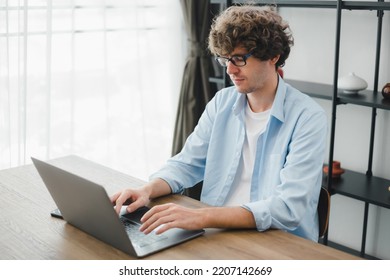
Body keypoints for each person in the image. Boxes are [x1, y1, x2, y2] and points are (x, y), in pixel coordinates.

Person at [110, 5, 327, 242]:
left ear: (273, 56)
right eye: (225, 60)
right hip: (216, 232)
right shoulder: (222, 103)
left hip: (276, 241)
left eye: (240, 59)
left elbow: (288, 208)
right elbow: (186, 164)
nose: (230, 70)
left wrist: (202, 217)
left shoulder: (307, 117)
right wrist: (146, 190)